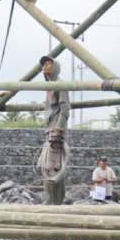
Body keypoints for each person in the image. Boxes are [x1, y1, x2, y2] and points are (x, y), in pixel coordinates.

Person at [40, 55, 70, 205]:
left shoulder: (60, 84)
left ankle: (55, 202)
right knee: (45, 166)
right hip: (50, 130)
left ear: (55, 67)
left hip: (56, 131)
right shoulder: (49, 87)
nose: (45, 66)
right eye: (44, 64)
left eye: (48, 64)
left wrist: (58, 130)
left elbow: (65, 108)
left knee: (54, 167)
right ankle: (50, 201)